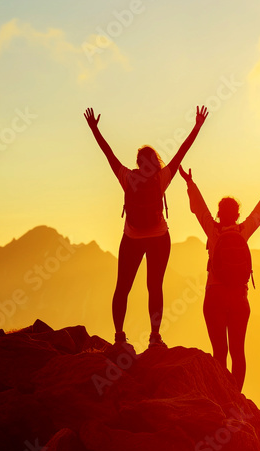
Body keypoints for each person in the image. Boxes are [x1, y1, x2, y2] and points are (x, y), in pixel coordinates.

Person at [85, 106, 209, 350]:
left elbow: (107, 153)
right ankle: (154, 337)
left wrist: (94, 130)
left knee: (123, 286)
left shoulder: (127, 178)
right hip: (159, 238)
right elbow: (182, 152)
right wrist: (197, 126)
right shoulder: (161, 178)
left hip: (131, 238)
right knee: (155, 287)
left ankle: (119, 337)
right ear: (154, 162)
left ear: (139, 162)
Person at [179, 164, 260, 389]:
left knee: (219, 352)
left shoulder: (212, 231)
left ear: (219, 214)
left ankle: (222, 396)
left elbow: (199, 208)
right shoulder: (244, 230)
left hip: (215, 296)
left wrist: (189, 183)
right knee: (238, 352)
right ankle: (235, 398)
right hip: (239, 298)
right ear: (238, 215)